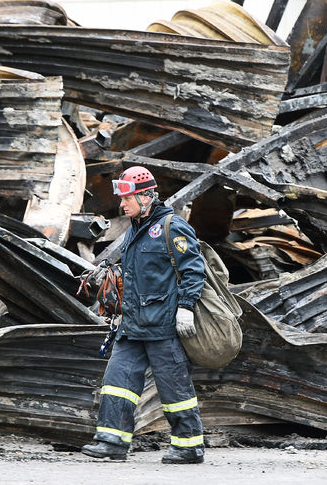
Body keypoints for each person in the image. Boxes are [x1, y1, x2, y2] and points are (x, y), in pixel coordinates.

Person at [82, 166, 206, 464]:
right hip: (132, 324)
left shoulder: (171, 227)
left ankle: (189, 446)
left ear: (147, 196)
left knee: (175, 389)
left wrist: (186, 307)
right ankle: (112, 441)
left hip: (163, 327)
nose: (122, 204)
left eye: (128, 199)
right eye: (122, 198)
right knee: (116, 383)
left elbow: (194, 269)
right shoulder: (135, 229)